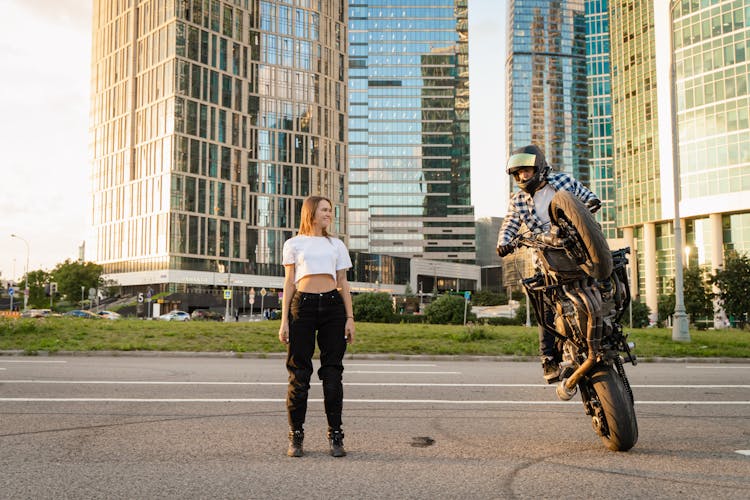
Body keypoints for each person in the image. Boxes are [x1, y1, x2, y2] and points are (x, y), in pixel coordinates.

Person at [496, 144, 601, 382]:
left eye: (527, 171)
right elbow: (510, 223)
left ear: (539, 168)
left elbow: (586, 196)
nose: (523, 176)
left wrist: (592, 202)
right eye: (519, 173)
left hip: (578, 248)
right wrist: (504, 242)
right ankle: (548, 358)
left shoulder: (563, 182)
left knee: (602, 283)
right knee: (544, 304)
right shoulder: (518, 199)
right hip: (545, 256)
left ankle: (609, 333)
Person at [279, 195, 355, 458]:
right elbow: (289, 283)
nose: (329, 214)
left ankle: (336, 435)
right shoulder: (294, 244)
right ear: (311, 212)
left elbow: (343, 283)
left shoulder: (336, 244)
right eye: (324, 210)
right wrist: (284, 321)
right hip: (303, 307)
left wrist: (350, 318)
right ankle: (296, 435)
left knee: (332, 373)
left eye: (330, 211)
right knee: (299, 374)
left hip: (333, 307)